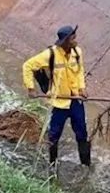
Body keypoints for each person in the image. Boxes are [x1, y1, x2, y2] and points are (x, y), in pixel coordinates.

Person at [22, 25, 91, 169]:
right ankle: (52, 166)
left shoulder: (77, 52)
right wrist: (31, 88)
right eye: (72, 39)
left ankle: (86, 165)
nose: (75, 41)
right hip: (58, 103)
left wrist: (82, 88)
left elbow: (79, 71)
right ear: (65, 41)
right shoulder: (50, 55)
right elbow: (27, 66)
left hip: (75, 101)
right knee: (54, 136)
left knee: (82, 132)